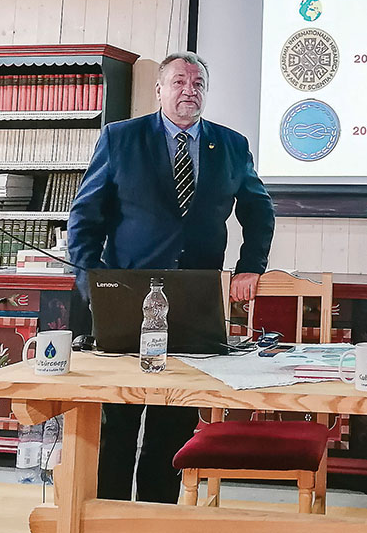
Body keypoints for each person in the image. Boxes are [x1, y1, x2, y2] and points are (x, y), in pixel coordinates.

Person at [68, 51, 275, 503]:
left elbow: (259, 211)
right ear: (159, 89)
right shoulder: (121, 138)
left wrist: (250, 265)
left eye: (198, 83)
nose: (189, 90)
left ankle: (157, 515)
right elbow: (85, 216)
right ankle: (110, 515)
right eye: (179, 81)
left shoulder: (231, 145)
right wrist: (91, 283)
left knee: (173, 418)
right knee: (119, 419)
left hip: (194, 298)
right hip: (126, 295)